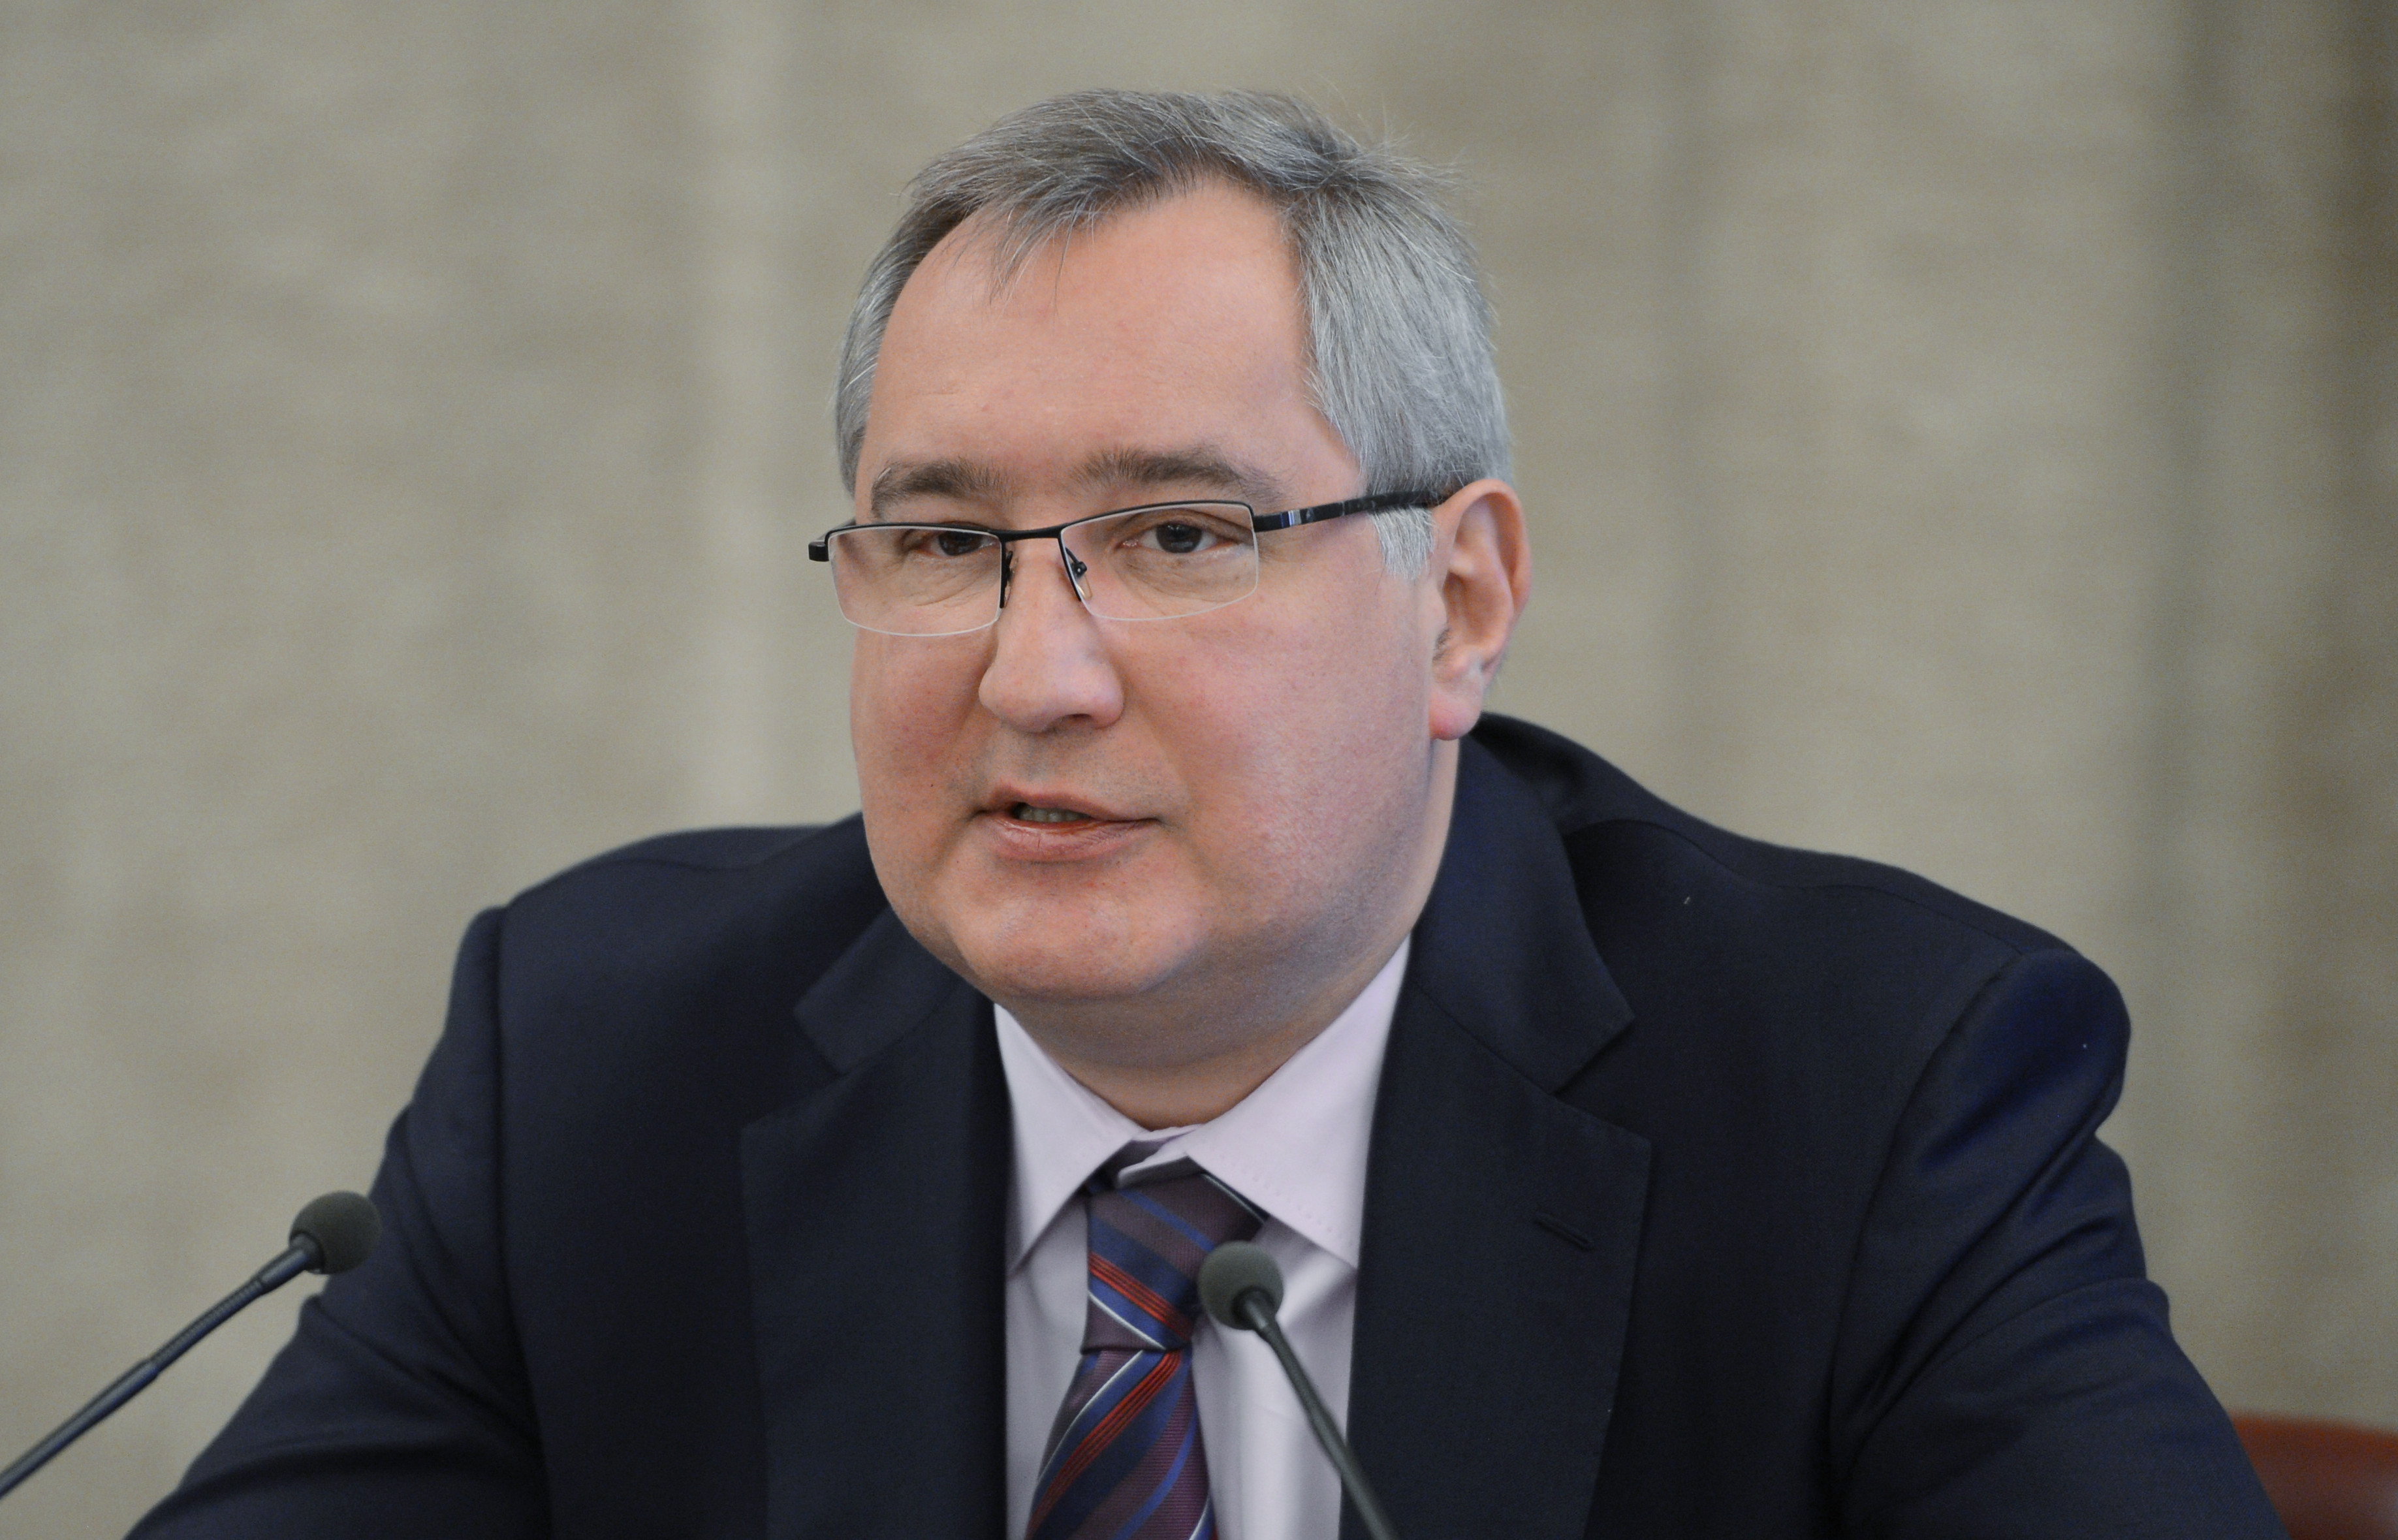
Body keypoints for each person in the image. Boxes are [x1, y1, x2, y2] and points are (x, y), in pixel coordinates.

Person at [131, 90, 2283, 1540]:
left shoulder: (1873, 1088)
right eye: (941, 543)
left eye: (1175, 536)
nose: (1032, 673)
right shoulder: (598, 1050)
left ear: (1458, 603)